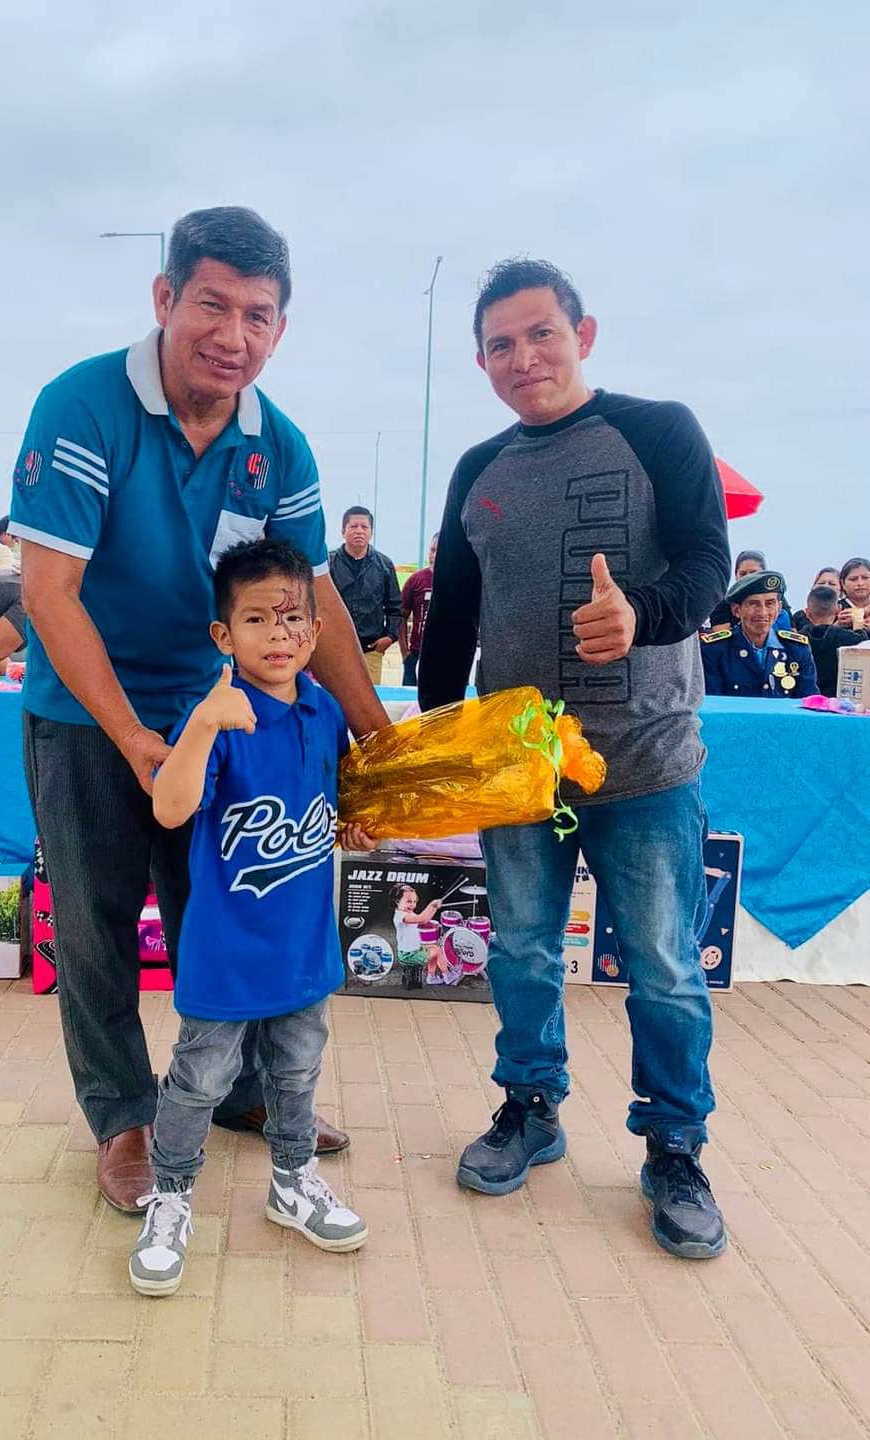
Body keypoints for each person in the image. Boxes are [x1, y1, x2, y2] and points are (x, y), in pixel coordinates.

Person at [9, 206, 387, 1214]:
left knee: (230, 903)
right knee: (94, 925)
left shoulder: (279, 444)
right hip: (86, 713)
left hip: (223, 712)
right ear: (165, 297)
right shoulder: (83, 406)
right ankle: (124, 1118)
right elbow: (49, 593)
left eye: (258, 315)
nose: (233, 335)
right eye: (212, 305)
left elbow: (313, 598)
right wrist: (136, 735)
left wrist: (380, 741)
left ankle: (244, 1091)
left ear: (280, 328)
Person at [420, 257, 732, 1260]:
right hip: (521, 771)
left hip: (646, 763)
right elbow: (452, 618)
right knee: (519, 948)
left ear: (583, 334)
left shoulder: (659, 430)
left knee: (664, 967)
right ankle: (530, 1106)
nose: (523, 358)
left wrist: (641, 614)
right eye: (500, 345)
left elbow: (709, 563)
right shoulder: (479, 470)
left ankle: (675, 1147)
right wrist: (434, 744)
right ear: (481, 361)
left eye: (541, 334)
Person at [130, 539, 372, 1295]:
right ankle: (170, 1198)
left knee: (296, 1072)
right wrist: (204, 723)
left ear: (316, 629)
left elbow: (332, 805)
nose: (278, 633)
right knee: (199, 1078)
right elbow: (170, 809)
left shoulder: (325, 711)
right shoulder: (219, 718)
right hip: (227, 951)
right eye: (257, 618)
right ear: (223, 634)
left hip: (304, 946)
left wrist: (355, 827)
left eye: (293, 617)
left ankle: (292, 1182)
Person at [701, 570, 818, 697]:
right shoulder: (715, 650)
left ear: (779, 608)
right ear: (736, 610)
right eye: (753, 604)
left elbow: (809, 701)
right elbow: (711, 703)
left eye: (770, 604)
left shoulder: (797, 649)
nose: (762, 613)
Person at [328, 506, 402, 685]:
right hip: (333, 650)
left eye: (364, 527)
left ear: (371, 533)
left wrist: (390, 637)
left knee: (369, 698)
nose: (359, 531)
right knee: (333, 697)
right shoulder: (328, 563)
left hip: (371, 650)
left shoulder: (384, 565)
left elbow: (395, 607)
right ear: (343, 531)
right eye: (353, 526)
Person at [794, 584, 867, 697]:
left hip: (803, 700)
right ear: (838, 609)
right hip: (838, 702)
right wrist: (858, 625)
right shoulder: (850, 639)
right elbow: (863, 646)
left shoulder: (795, 640)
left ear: (807, 612)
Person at [399, 534, 438, 686]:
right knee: (411, 699)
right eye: (432, 550)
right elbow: (401, 616)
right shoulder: (416, 580)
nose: (434, 555)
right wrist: (405, 653)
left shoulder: (460, 580)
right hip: (416, 654)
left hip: (447, 656)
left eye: (439, 550)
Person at [837, 557, 870, 630]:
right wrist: (837, 625)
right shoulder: (835, 609)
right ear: (843, 584)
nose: (860, 583)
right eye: (853, 579)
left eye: (865, 578)